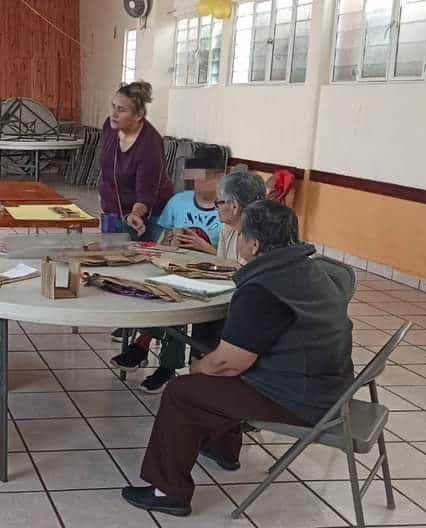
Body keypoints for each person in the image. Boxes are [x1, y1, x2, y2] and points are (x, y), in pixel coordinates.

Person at [121, 201, 355, 517]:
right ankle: (222, 448)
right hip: (329, 383)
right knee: (217, 362)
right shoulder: (307, 269)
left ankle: (167, 491)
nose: (238, 238)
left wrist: (200, 368)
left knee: (183, 392)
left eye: (241, 234)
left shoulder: (265, 286)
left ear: (255, 244)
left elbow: (229, 363)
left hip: (302, 398)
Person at [110, 146, 226, 393]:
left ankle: (165, 365)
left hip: (209, 275)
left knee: (179, 301)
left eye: (203, 177)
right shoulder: (178, 202)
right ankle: (142, 345)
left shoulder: (225, 209)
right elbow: (161, 241)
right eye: (193, 175)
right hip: (173, 268)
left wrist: (204, 247)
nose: (196, 182)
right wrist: (165, 244)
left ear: (220, 178)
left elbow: (231, 258)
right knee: (157, 290)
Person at [99, 81, 175, 242]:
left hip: (148, 213)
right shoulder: (109, 126)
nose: (114, 114)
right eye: (113, 106)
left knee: (138, 261)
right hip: (112, 210)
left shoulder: (150, 144)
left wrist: (135, 214)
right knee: (111, 257)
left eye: (121, 110)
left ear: (138, 115)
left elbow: (146, 193)